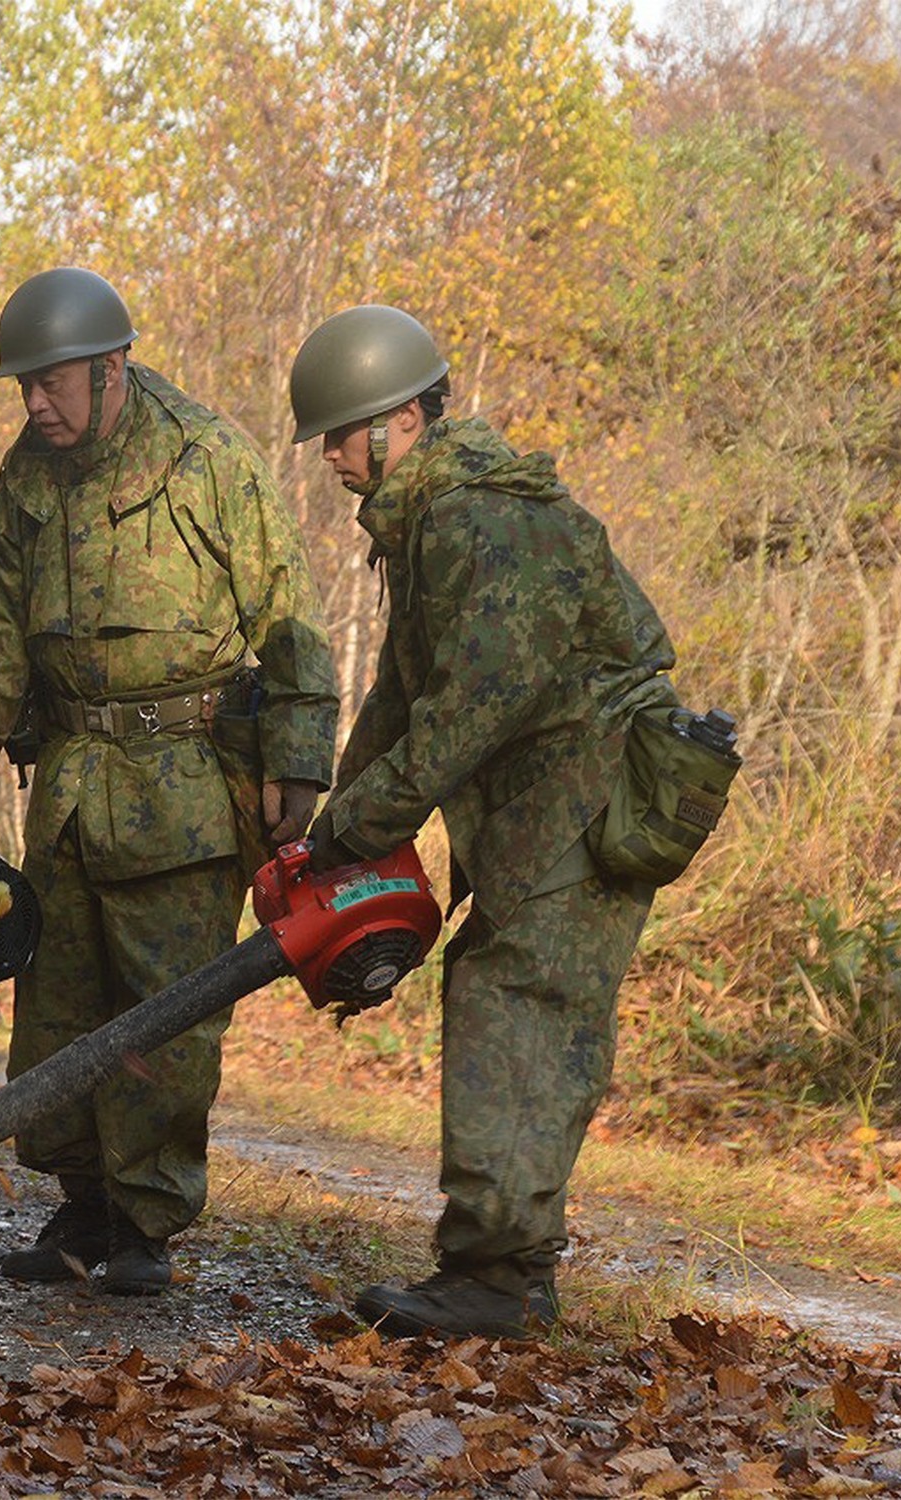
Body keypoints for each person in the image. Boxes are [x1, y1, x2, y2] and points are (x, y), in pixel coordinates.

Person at [0, 267, 339, 1295]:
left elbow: (290, 617)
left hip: (186, 790)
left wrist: (297, 760)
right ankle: (83, 1208)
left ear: (111, 368)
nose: (35, 404)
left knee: (164, 1020)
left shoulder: (205, 459)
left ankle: (146, 1225)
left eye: (50, 383)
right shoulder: (26, 480)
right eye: (24, 387)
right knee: (58, 1010)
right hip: (69, 789)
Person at [288, 304, 678, 1338]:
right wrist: (334, 827)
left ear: (403, 421)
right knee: (505, 999)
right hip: (538, 811)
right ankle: (509, 1270)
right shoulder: (430, 522)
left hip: (584, 805)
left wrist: (366, 819)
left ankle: (496, 1281)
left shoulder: (481, 521)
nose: (328, 455)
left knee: (519, 1013)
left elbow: (475, 707)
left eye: (341, 432)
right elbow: (403, 693)